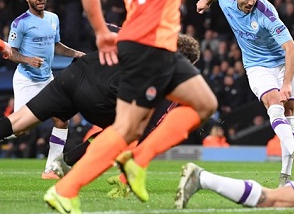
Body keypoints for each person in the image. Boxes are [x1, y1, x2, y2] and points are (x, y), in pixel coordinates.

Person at [44, 0, 239, 214]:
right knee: (126, 129)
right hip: (151, 44)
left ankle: (136, 159)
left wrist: (102, 31)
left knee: (204, 103)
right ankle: (65, 189)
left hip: (147, 43)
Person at [0, 34, 201, 186]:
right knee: (130, 127)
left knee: (18, 121)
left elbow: (114, 32)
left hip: (76, 72)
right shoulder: (166, 72)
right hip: (99, 96)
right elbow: (151, 126)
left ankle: (66, 161)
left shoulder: (144, 39)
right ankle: (67, 161)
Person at [196, 0, 294, 187]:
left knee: (289, 113)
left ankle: (285, 177)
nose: (251, 2)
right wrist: (205, 1)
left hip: (283, 62)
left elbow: (292, 49)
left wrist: (286, 83)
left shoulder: (265, 13)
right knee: (273, 103)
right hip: (257, 65)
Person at [8, 0, 85, 179]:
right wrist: (27, 59)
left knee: (61, 120)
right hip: (26, 80)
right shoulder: (20, 23)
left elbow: (56, 45)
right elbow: (10, 53)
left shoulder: (53, 18)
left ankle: (51, 169)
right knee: (20, 131)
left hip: (47, 79)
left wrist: (75, 53)